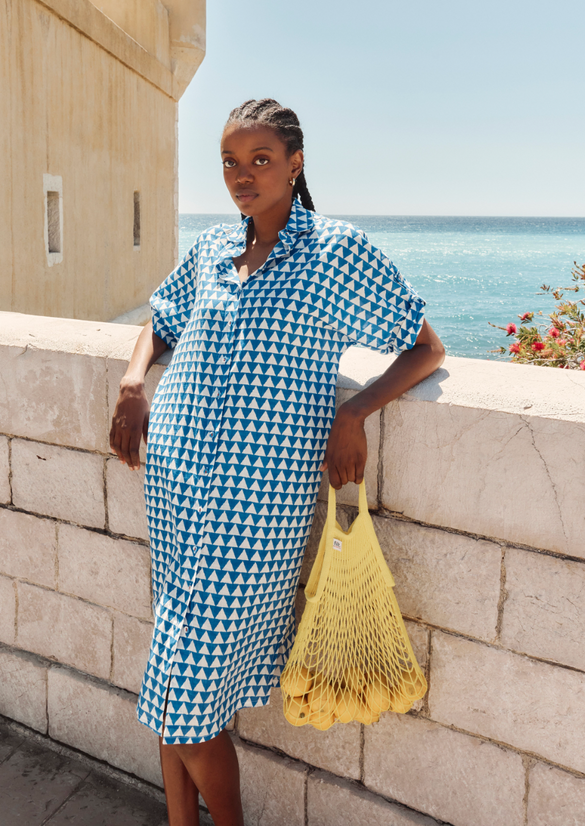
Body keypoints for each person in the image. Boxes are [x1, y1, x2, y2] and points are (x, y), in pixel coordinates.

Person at [110, 98, 445, 826]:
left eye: (261, 159)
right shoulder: (210, 250)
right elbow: (160, 320)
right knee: (180, 691)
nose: (243, 175)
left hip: (255, 512)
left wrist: (352, 411)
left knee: (187, 705)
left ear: (295, 163)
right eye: (230, 161)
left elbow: (426, 348)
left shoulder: (336, 252)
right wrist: (135, 381)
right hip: (177, 496)